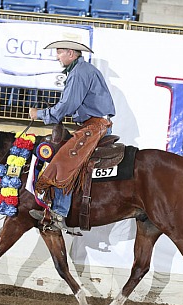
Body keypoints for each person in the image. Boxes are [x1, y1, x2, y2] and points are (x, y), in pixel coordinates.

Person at [29, 40, 116, 231]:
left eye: (59, 52)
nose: (57, 56)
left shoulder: (78, 73)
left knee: (65, 159)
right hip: (95, 123)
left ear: (71, 53)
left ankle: (58, 213)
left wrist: (41, 114)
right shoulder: (82, 70)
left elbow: (68, 105)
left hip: (95, 125)